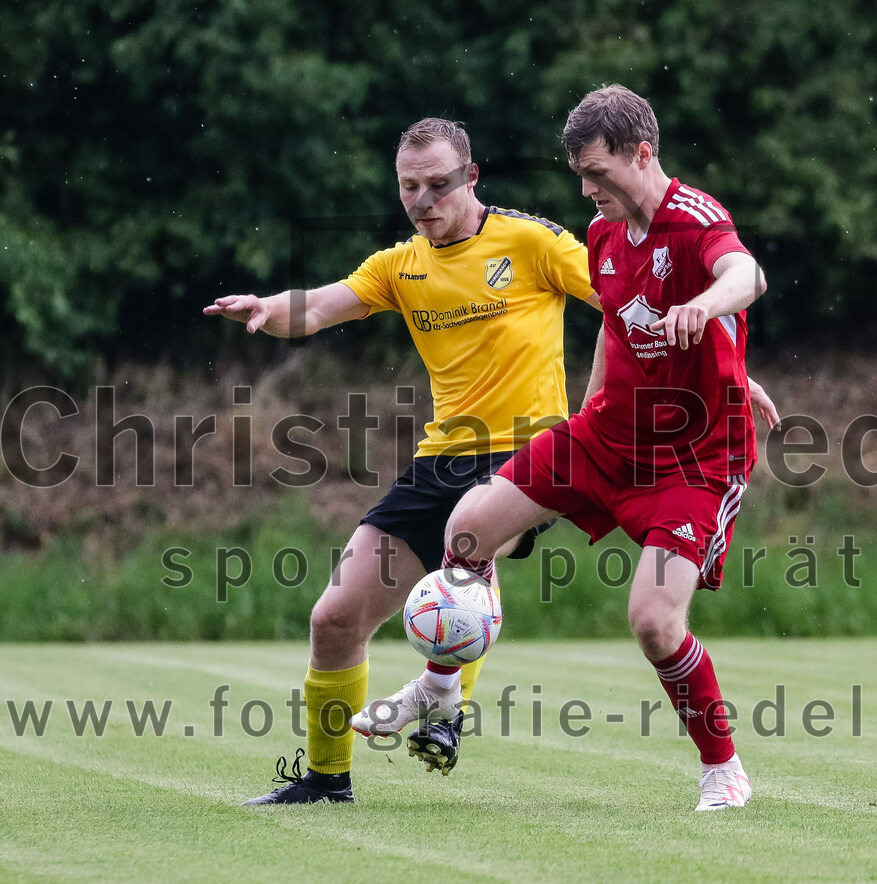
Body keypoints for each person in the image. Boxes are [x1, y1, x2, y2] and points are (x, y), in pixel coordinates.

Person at [354, 86, 770, 813]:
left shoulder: (695, 219)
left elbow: (745, 274)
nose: (586, 187)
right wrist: (587, 416)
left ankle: (722, 767)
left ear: (643, 154)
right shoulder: (605, 234)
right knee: (466, 528)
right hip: (605, 436)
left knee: (653, 620)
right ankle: (440, 691)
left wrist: (709, 306)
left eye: (598, 171)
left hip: (695, 459)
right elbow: (616, 322)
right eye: (579, 173)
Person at [204, 118, 600, 803]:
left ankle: (445, 712)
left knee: (465, 555)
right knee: (334, 618)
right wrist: (268, 307)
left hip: (532, 453)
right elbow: (323, 307)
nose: (424, 200)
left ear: (472, 178)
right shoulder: (401, 264)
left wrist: (709, 362)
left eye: (440, 184)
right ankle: (327, 781)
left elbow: (624, 302)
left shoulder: (533, 242)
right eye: (409, 187)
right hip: (441, 458)